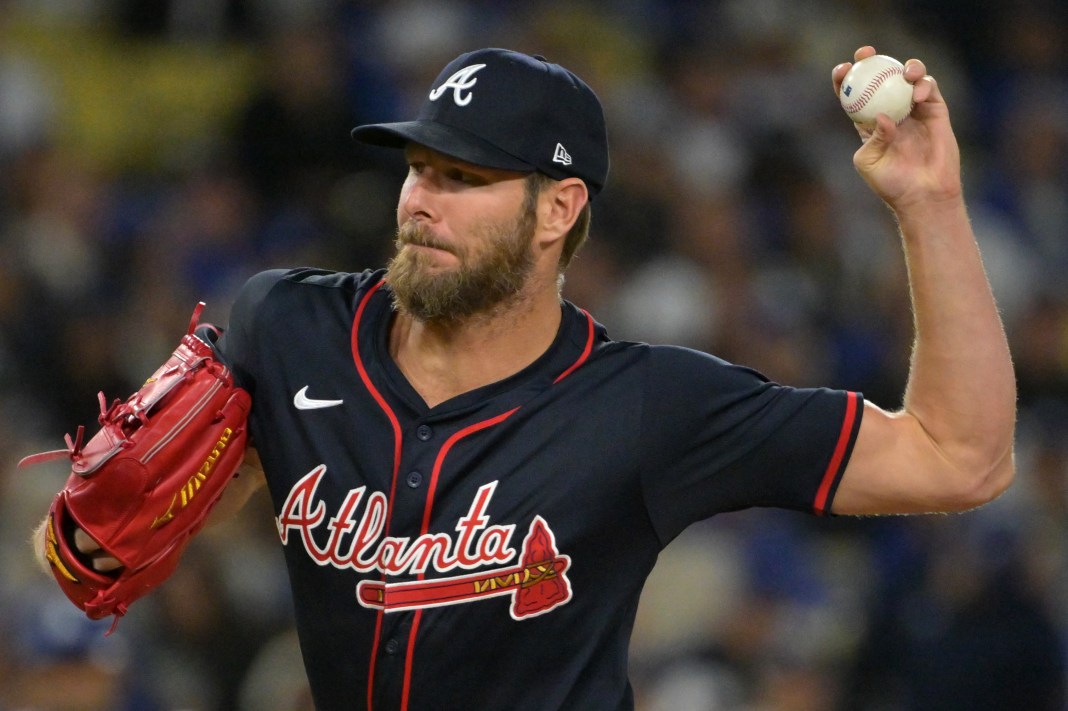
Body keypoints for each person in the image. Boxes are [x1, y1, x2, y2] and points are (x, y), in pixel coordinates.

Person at [42, 45, 1015, 710]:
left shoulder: (645, 406)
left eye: (463, 179)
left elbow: (958, 458)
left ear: (558, 210)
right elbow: (119, 530)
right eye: (417, 167)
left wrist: (929, 205)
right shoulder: (285, 327)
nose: (421, 201)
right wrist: (109, 525)